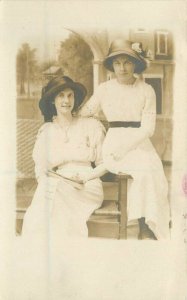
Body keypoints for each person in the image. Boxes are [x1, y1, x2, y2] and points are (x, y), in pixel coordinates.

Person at [79, 39, 170, 240]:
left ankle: (146, 224)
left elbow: (148, 128)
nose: (122, 68)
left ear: (135, 64)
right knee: (142, 169)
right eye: (118, 63)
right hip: (114, 141)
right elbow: (88, 111)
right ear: (112, 65)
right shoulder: (104, 89)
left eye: (127, 62)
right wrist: (72, 111)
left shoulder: (147, 90)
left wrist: (127, 147)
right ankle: (141, 222)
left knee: (150, 169)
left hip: (138, 141)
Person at [22, 76, 106, 239]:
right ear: (53, 100)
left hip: (87, 184)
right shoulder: (47, 131)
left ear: (75, 98)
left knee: (55, 195)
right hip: (57, 182)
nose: (66, 100)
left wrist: (85, 177)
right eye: (61, 95)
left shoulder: (90, 126)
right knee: (47, 196)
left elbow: (105, 163)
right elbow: (41, 169)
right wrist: (49, 182)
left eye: (70, 95)